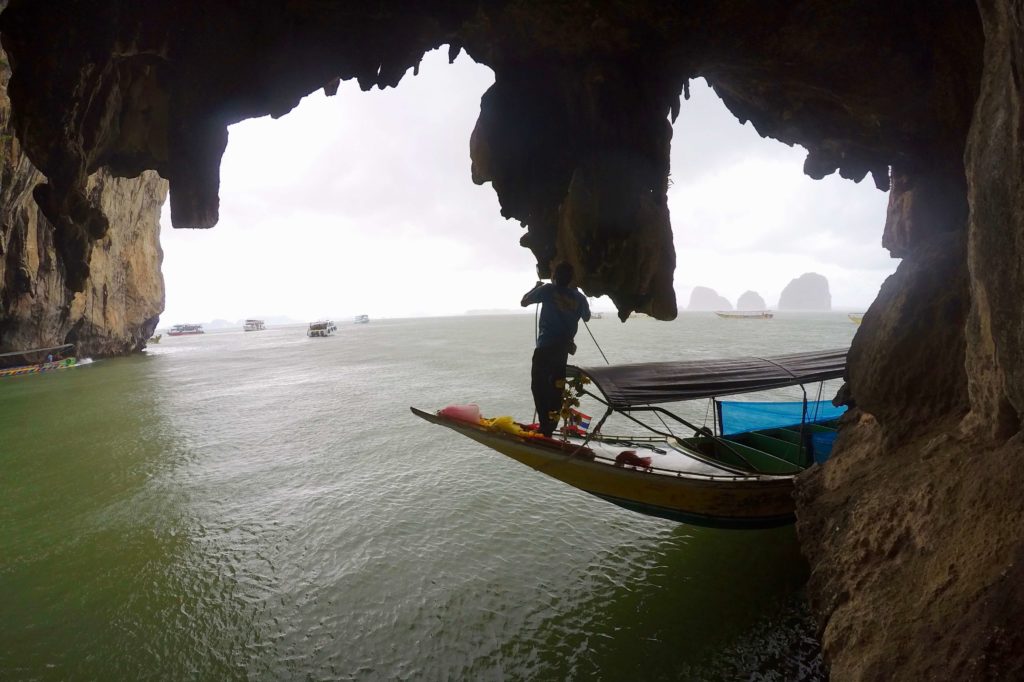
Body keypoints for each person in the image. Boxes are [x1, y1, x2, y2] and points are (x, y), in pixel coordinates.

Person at [521, 262, 591, 437]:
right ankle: (551, 425)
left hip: (546, 346)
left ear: (554, 276)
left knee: (539, 385)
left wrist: (535, 287)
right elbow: (587, 317)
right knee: (556, 386)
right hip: (562, 349)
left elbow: (524, 302)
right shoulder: (579, 297)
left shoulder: (547, 290)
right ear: (571, 279)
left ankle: (545, 426)